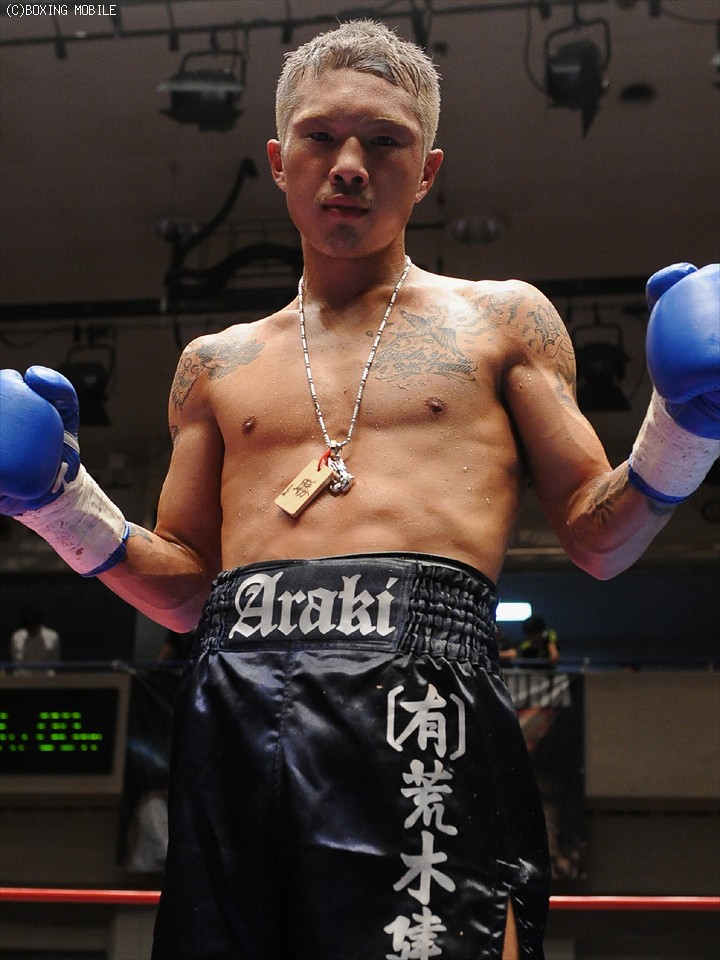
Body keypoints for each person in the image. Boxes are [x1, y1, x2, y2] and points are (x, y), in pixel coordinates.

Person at [0, 19, 718, 960]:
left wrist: (687, 428)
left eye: (384, 141)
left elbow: (596, 537)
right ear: (278, 160)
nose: (349, 164)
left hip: (424, 691)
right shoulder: (212, 365)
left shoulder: (502, 321)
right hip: (237, 700)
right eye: (322, 136)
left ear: (426, 173)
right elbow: (185, 592)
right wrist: (60, 504)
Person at [9, 608, 61, 672]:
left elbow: (55, 661)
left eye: (34, 628)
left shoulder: (52, 637)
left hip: (45, 675)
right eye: (28, 628)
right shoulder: (17, 637)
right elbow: (14, 660)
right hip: (22, 676)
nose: (31, 631)